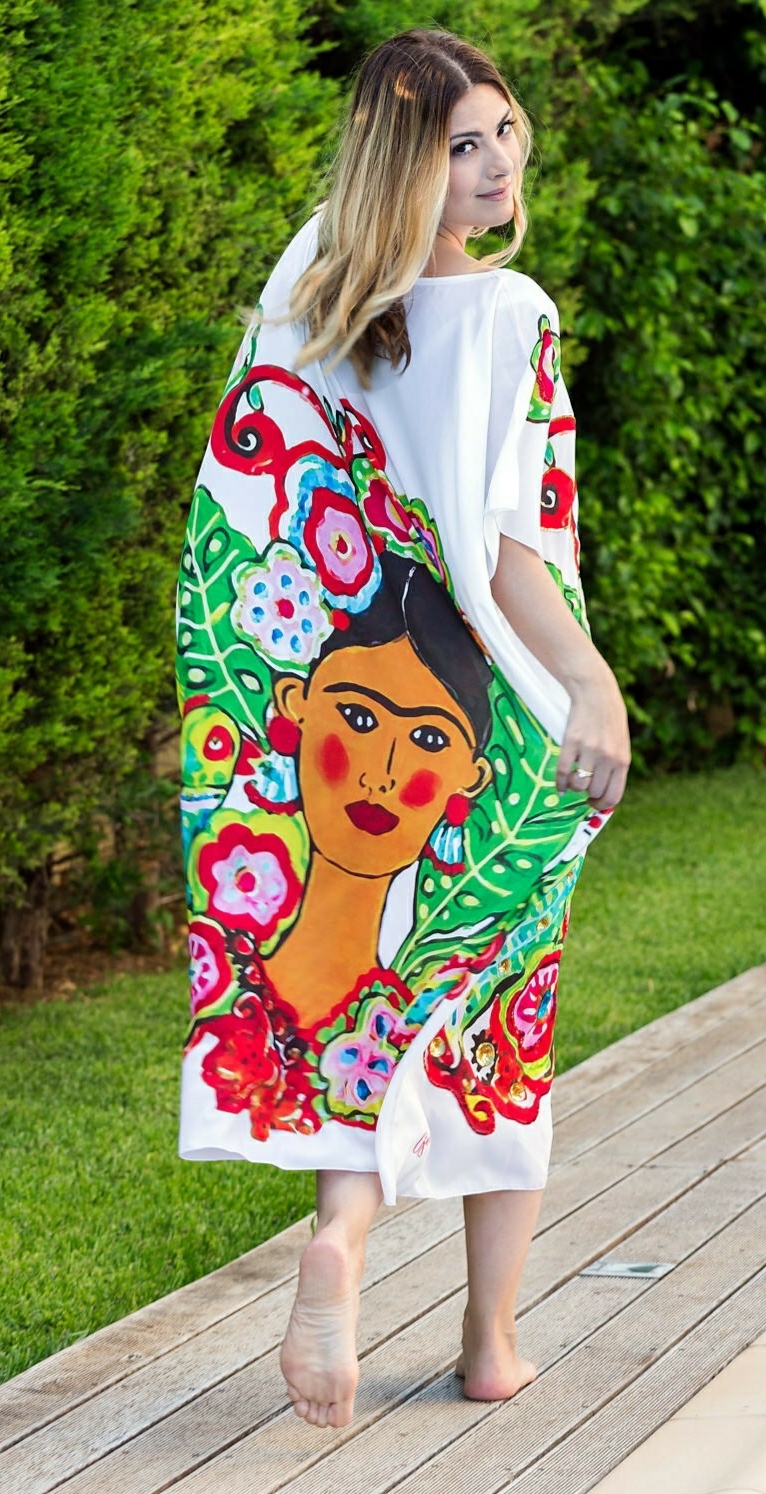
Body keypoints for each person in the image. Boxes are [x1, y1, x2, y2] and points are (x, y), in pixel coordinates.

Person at [176, 28, 630, 1432]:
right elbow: (508, 558)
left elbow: (247, 506)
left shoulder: (312, 300)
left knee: (382, 998)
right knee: (496, 1018)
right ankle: (490, 1343)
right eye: (461, 146)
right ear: (408, 166)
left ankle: (343, 1235)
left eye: (503, 132)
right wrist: (594, 684)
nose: (497, 165)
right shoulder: (510, 314)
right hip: (498, 723)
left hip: (354, 708)